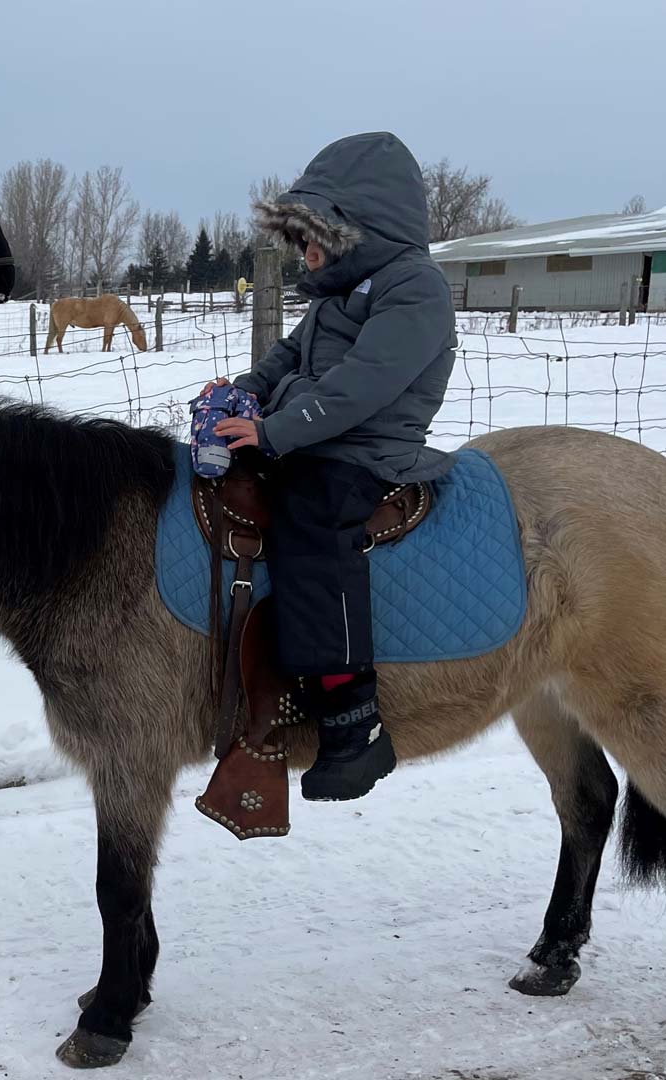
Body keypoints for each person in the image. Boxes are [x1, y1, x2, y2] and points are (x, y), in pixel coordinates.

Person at [206, 131, 457, 802]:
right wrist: (243, 392)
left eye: (314, 236)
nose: (305, 253)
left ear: (361, 225)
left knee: (314, 520)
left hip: (367, 450)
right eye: (300, 240)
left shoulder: (416, 290)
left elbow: (363, 385)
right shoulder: (338, 293)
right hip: (314, 437)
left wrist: (272, 431)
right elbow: (289, 359)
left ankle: (353, 716)